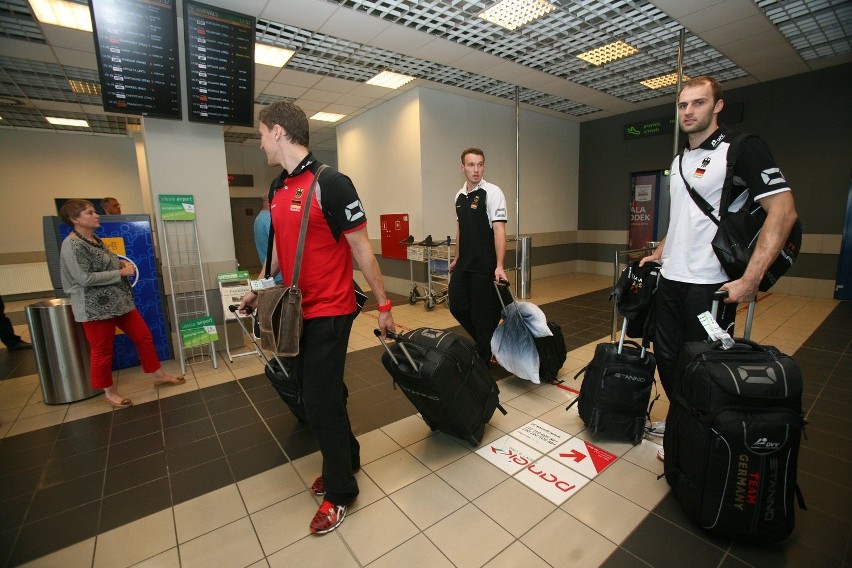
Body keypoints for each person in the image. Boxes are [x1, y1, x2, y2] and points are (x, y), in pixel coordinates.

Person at [238, 101, 396, 535]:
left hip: (332, 309)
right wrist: (258, 290)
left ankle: (341, 491)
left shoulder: (333, 183)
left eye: (262, 133)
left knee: (320, 398)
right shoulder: (276, 188)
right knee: (316, 394)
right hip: (295, 309)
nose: (259, 140)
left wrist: (384, 305)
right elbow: (275, 253)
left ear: (279, 133)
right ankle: (347, 456)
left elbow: (362, 249)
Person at [640, 76, 798, 459]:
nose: (689, 112)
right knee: (668, 357)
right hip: (673, 280)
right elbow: (682, 219)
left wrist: (750, 279)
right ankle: (683, 421)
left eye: (697, 103)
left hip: (709, 284)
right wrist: (659, 252)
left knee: (707, 366)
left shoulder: (742, 149)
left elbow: (784, 211)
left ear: (717, 106)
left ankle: (703, 435)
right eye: (682, 105)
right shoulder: (679, 161)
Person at [59, 199, 184, 409]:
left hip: (120, 303)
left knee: (143, 336)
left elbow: (105, 263)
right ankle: (110, 392)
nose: (96, 215)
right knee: (102, 350)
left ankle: (158, 374)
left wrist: (121, 264)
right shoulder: (72, 245)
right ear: (75, 219)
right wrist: (120, 272)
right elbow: (84, 278)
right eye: (89, 213)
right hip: (94, 309)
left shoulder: (94, 239)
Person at [448, 147, 508, 364]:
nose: (476, 169)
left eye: (480, 164)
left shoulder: (492, 192)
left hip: (485, 266)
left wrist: (499, 265)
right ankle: (489, 342)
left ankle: (483, 363)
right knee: (457, 305)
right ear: (462, 167)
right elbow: (461, 230)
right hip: (464, 264)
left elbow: (499, 229)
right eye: (471, 165)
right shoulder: (459, 196)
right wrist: (456, 258)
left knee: (483, 318)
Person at [253, 193, 282, 284]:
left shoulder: (259, 218)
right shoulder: (269, 219)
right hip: (278, 276)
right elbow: (280, 245)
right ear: (269, 202)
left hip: (270, 274)